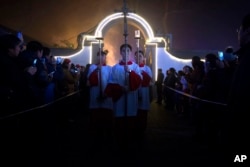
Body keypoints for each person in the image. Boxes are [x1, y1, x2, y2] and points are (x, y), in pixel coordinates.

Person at [222, 13, 250, 163]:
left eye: (239, 30)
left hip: (242, 129)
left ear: (247, 31)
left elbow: (241, 94)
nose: (238, 34)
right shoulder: (243, 58)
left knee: (240, 159)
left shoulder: (246, 59)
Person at [105, 43, 142, 151]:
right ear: (120, 52)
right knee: (119, 124)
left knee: (130, 124)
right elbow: (111, 83)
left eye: (128, 51)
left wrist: (130, 72)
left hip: (131, 99)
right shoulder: (115, 68)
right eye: (123, 51)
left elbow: (138, 81)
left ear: (130, 53)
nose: (125, 53)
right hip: (120, 101)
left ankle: (130, 144)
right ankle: (119, 144)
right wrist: (121, 89)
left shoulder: (135, 67)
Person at [87, 50, 114, 144]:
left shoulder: (110, 68)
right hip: (95, 97)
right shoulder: (92, 68)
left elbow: (111, 81)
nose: (101, 58)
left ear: (105, 58)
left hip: (106, 97)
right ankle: (96, 139)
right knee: (96, 121)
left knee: (107, 121)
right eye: (99, 56)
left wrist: (106, 93)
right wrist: (96, 70)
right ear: (97, 57)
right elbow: (90, 81)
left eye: (103, 56)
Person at [134, 50, 152, 134]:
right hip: (134, 92)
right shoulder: (132, 67)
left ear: (143, 58)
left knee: (143, 112)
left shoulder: (147, 68)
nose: (138, 58)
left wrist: (142, 73)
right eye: (136, 56)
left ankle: (142, 129)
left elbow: (149, 81)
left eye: (140, 56)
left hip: (144, 92)